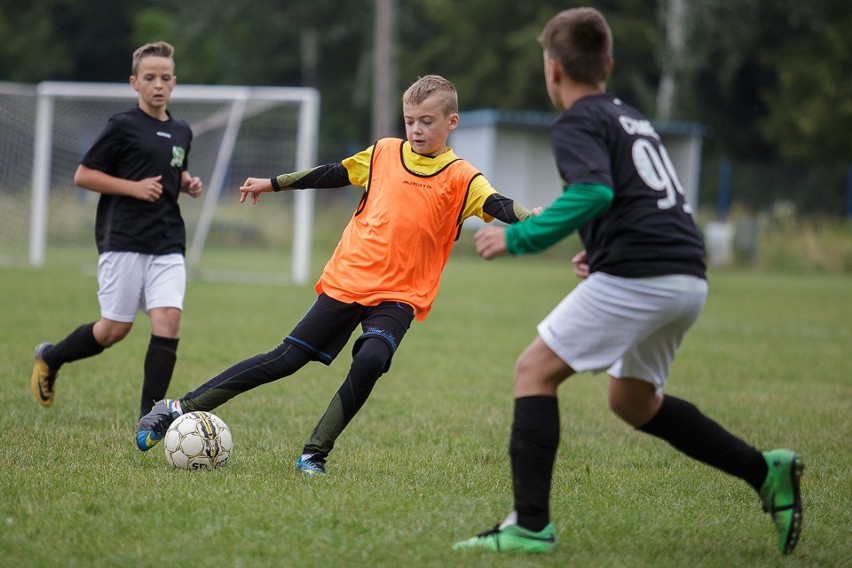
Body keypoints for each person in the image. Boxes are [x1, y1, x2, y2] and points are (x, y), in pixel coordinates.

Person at [452, 7, 803, 557]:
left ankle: (530, 524)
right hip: (685, 276)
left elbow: (594, 192)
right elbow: (641, 195)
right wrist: (601, 250)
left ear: (552, 71)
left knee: (533, 370)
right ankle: (765, 471)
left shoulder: (575, 120)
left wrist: (519, 238)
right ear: (608, 64)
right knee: (632, 400)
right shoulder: (629, 116)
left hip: (644, 277)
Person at [136, 74, 537, 475]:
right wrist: (272, 185)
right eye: (409, 119)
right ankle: (176, 408)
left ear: (452, 122)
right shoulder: (384, 153)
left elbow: (500, 205)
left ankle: (314, 453)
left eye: (427, 121)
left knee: (371, 359)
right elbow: (332, 173)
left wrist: (538, 220)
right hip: (348, 280)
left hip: (400, 295)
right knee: (285, 360)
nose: (416, 129)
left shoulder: (463, 176)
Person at [30, 41, 204, 418]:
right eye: (149, 78)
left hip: (169, 240)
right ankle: (51, 357)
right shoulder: (123, 126)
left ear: (173, 83)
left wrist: (187, 183)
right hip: (123, 238)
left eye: (164, 78)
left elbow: (175, 167)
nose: (157, 84)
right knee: (114, 329)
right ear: (134, 83)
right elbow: (83, 175)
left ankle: (150, 419)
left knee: (168, 320)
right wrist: (134, 187)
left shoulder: (181, 130)